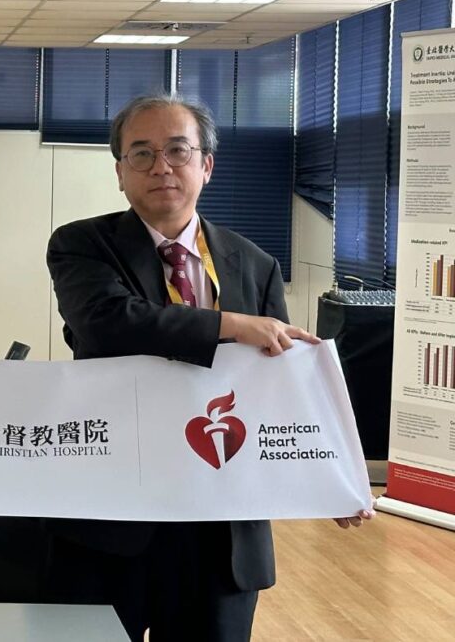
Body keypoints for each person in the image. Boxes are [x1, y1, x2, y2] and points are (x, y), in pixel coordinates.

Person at [45, 92, 371, 642]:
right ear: (120, 172)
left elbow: (277, 389)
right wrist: (232, 325)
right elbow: (107, 323)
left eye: (178, 150)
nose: (161, 167)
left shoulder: (255, 264)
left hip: (222, 530)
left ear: (207, 165)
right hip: (115, 521)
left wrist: (328, 480)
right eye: (141, 154)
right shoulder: (83, 244)